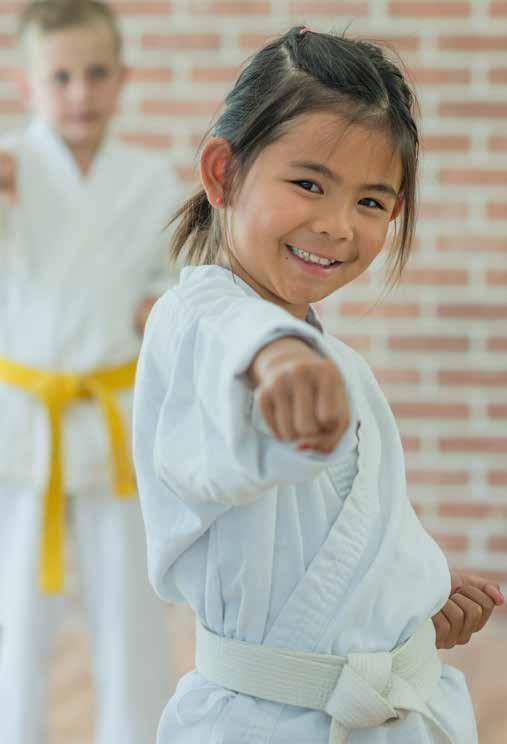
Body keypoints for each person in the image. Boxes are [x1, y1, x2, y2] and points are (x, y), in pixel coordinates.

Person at [132, 27, 504, 744]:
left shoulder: (342, 365)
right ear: (223, 173)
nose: (336, 225)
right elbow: (239, 346)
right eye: (308, 184)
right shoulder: (198, 323)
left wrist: (409, 599)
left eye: (371, 201)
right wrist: (281, 362)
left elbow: (331, 549)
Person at [0, 2, 180, 743]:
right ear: (29, 84)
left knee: (129, 610)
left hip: (114, 414)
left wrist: (157, 306)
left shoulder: (150, 179)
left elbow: (174, 279)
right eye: (61, 76)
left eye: (96, 73)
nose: (80, 92)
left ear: (123, 78)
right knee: (15, 614)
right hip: (22, 417)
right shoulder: (11, 166)